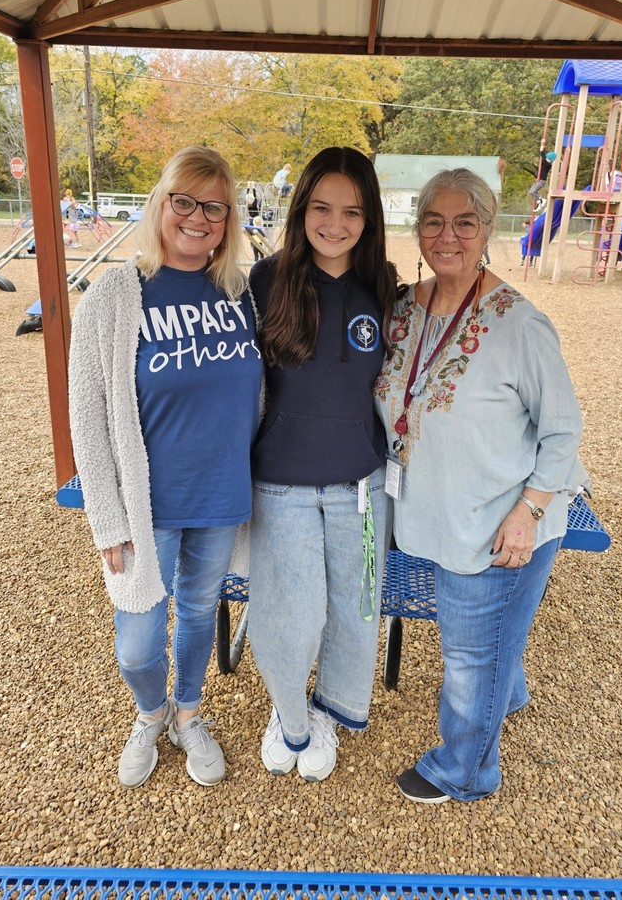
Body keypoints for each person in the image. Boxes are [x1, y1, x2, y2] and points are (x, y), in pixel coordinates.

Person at [374, 167, 584, 804]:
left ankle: (464, 770)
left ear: (488, 229)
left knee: (467, 658)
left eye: (465, 221)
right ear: (419, 231)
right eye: (434, 221)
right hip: (440, 516)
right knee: (488, 644)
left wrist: (529, 511)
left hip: (500, 525)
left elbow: (565, 432)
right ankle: (506, 689)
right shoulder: (406, 309)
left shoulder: (520, 325)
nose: (449, 235)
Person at [68, 146, 263, 790]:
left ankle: (187, 712)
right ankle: (149, 712)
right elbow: (89, 418)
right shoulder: (116, 295)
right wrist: (106, 519)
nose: (197, 217)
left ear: (228, 219)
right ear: (161, 203)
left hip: (221, 496)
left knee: (201, 615)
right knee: (137, 643)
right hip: (145, 507)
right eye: (184, 200)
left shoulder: (240, 293)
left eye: (213, 206)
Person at [248, 146, 398, 783]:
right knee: (290, 611)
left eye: (353, 211)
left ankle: (330, 711)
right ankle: (290, 718)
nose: (335, 223)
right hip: (281, 485)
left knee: (359, 604)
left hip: (361, 489)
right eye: (322, 208)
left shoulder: (386, 288)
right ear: (301, 208)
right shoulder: (264, 281)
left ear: (370, 218)